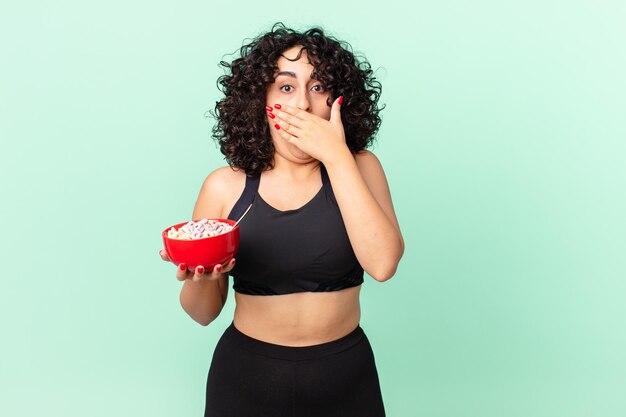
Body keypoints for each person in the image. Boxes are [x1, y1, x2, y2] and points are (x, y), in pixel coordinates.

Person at [159, 22, 404, 417]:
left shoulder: (361, 167)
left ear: (337, 100)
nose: (304, 105)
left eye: (319, 86)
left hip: (346, 377)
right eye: (286, 87)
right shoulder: (224, 186)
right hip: (246, 379)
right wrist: (199, 279)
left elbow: (383, 263)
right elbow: (203, 313)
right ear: (261, 101)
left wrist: (337, 155)